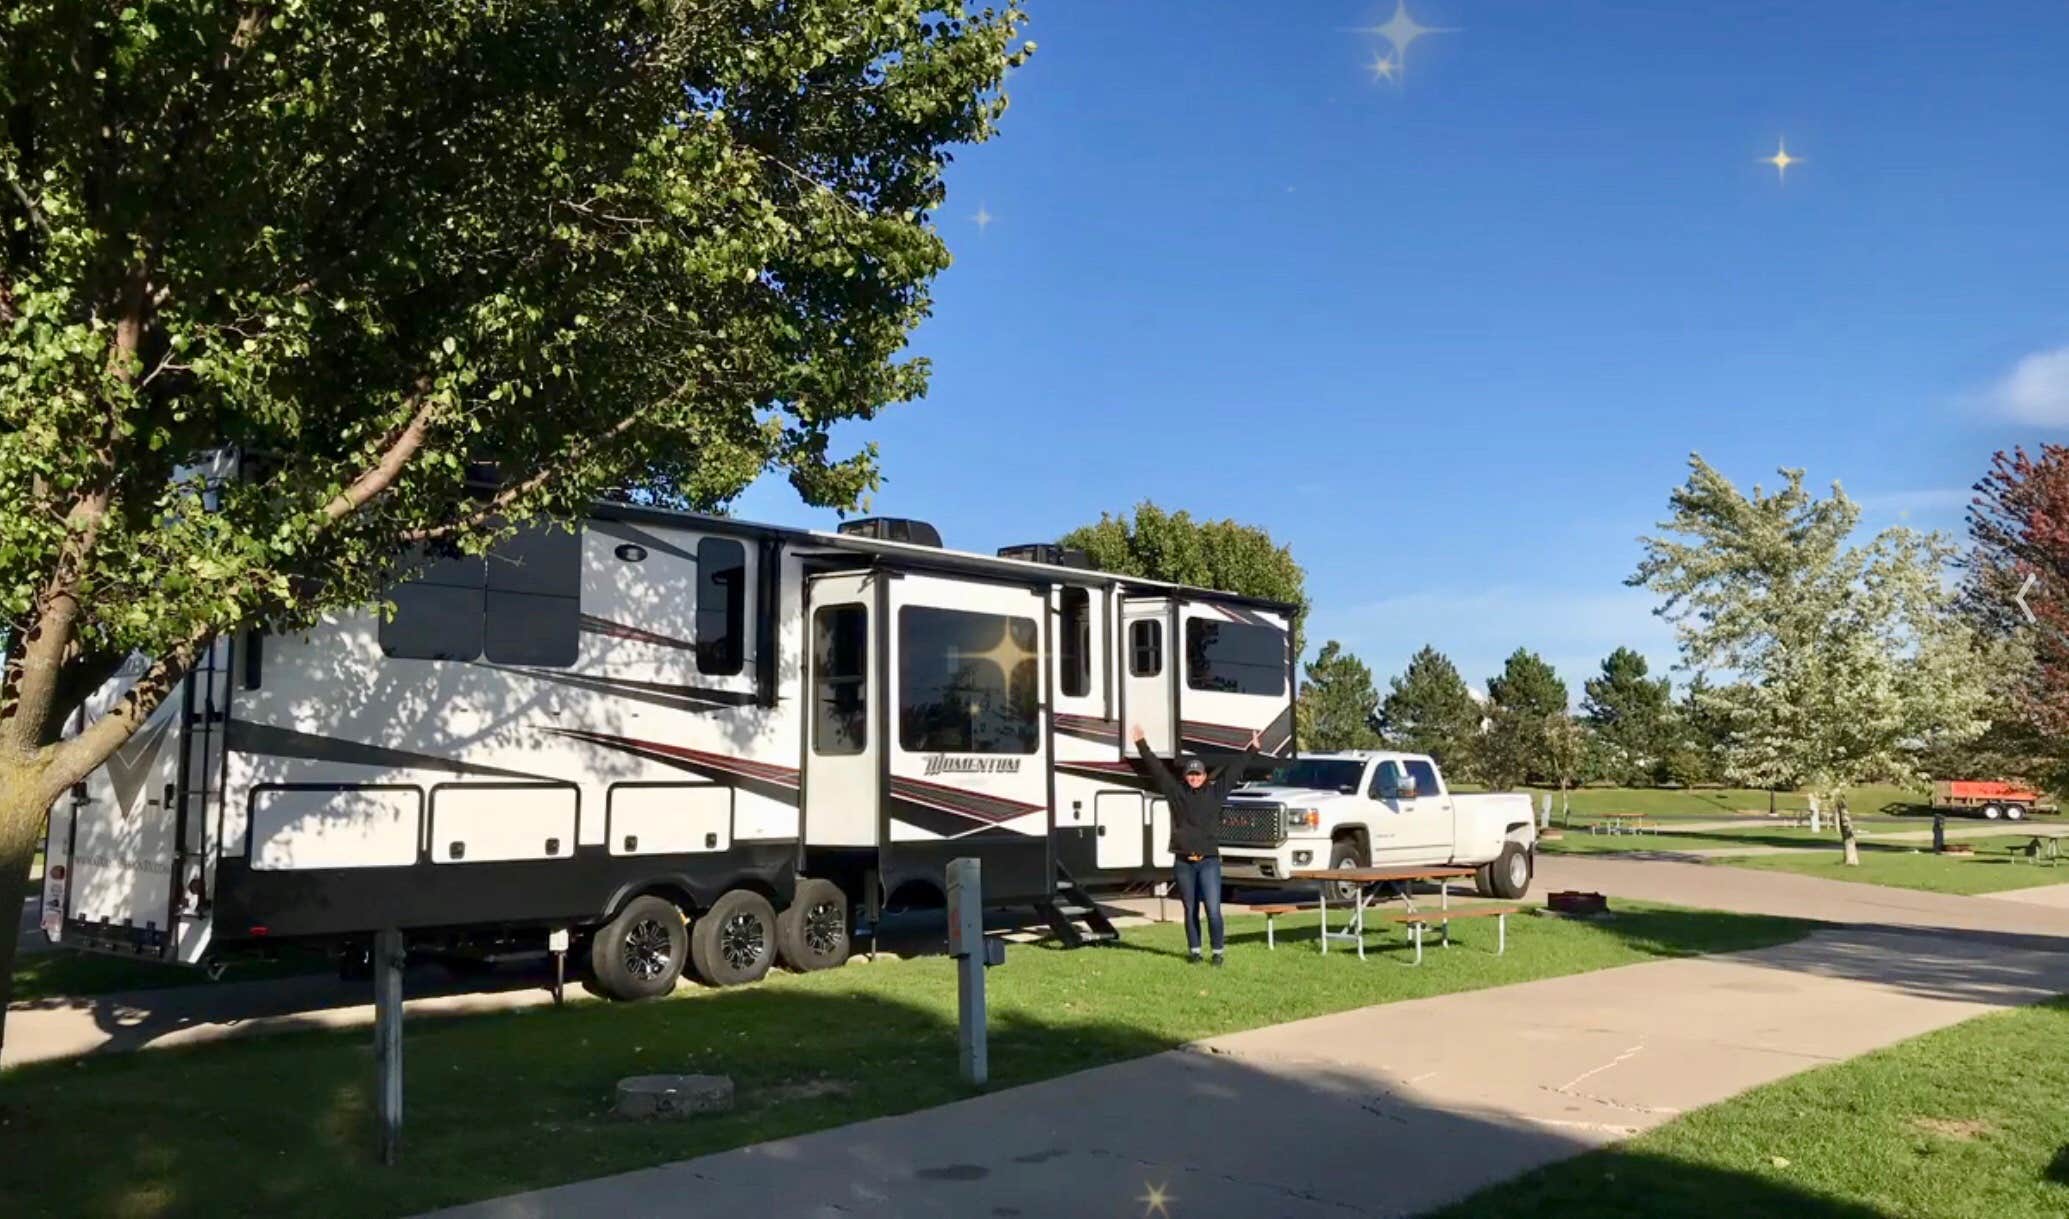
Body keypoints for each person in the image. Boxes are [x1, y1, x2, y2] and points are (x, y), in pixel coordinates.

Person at [1128, 722, 1266, 966]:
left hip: (1208, 861)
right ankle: (1194, 952)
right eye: (1190, 774)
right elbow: (1158, 770)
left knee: (1213, 909)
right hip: (1183, 862)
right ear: (1186, 776)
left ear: (1204, 776)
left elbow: (1233, 771)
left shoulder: (1215, 792)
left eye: (1198, 774)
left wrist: (1252, 750)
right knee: (1190, 908)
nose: (1194, 778)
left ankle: (1218, 952)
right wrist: (1141, 744)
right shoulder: (1176, 793)